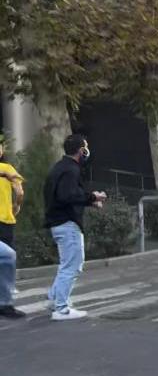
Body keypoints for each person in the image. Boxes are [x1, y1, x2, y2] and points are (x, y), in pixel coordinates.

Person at [44, 134, 107, 321]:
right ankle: (61, 309)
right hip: (67, 223)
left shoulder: (59, 168)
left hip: (58, 222)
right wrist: (93, 198)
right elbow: (67, 196)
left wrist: (89, 201)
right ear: (82, 151)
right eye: (86, 148)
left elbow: (66, 195)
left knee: (66, 265)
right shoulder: (71, 170)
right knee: (73, 266)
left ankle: (55, 299)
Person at [0, 136, 25, 248]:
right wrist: (16, 206)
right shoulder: (7, 168)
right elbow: (19, 192)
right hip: (4, 219)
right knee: (7, 257)